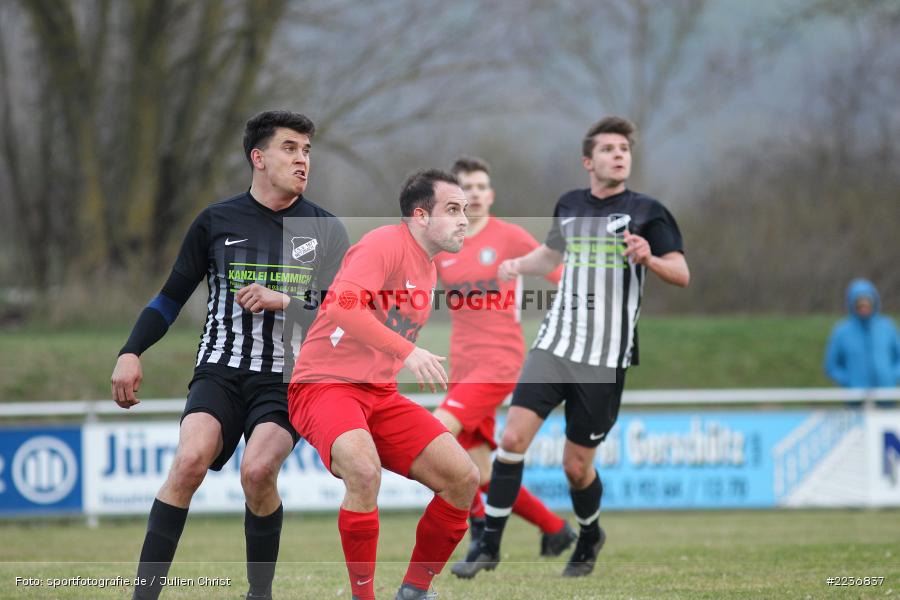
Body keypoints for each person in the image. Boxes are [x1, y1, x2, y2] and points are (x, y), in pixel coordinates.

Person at [110, 110, 350, 600]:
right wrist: (131, 351)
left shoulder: (326, 228)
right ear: (258, 158)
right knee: (189, 462)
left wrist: (285, 301)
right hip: (219, 370)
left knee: (258, 471)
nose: (302, 159)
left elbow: (344, 313)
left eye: (307, 150)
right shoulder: (216, 220)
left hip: (288, 378)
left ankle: (258, 594)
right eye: (290, 148)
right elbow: (169, 297)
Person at [453, 116, 689, 579]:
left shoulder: (649, 212)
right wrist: (518, 264)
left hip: (604, 358)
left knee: (576, 468)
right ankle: (489, 546)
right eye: (608, 148)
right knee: (513, 439)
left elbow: (682, 273)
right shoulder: (569, 203)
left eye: (624, 148)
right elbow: (552, 256)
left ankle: (588, 535)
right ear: (588, 160)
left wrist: (650, 259)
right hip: (555, 344)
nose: (618, 154)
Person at [288, 169, 480, 600]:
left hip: (379, 394)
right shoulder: (384, 243)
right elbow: (341, 308)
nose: (464, 219)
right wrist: (408, 352)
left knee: (463, 478)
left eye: (465, 210)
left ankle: (415, 591)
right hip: (325, 385)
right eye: (453, 209)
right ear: (420, 216)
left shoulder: (428, 269)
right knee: (362, 469)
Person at [427, 157, 576, 574]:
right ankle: (554, 528)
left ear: (490, 194)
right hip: (463, 363)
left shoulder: (508, 235)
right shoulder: (446, 246)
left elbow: (557, 273)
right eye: (465, 187)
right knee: (480, 469)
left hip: (499, 361)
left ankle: (478, 535)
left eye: (480, 186)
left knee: (438, 433)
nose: (473, 193)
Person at [825, 279, 900, 389]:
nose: (864, 309)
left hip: (886, 395)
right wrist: (849, 381)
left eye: (867, 304)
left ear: (874, 303)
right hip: (855, 398)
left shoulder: (887, 327)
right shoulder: (841, 331)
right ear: (852, 305)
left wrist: (892, 377)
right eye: (859, 305)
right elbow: (832, 366)